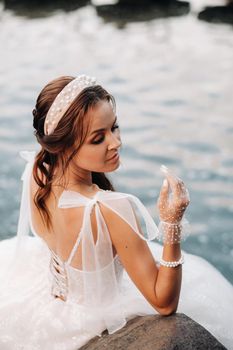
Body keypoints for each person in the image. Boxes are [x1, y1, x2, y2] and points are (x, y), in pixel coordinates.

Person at [0, 74, 232, 350]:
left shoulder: (38, 171)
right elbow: (164, 302)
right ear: (62, 145)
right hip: (96, 317)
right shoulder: (110, 207)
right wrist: (172, 223)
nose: (116, 142)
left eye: (115, 127)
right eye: (98, 138)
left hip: (47, 302)